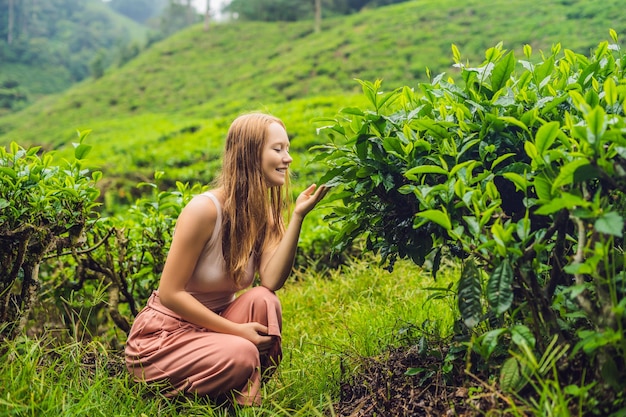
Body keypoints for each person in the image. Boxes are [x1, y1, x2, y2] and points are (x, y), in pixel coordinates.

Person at [124, 112, 329, 406]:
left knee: (264, 300)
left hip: (213, 329)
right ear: (250, 154)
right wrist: (236, 332)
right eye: (278, 149)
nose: (288, 159)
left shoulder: (264, 217)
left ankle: (232, 399)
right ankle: (233, 399)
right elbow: (170, 293)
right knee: (242, 351)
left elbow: (272, 280)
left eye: (288, 149)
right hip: (164, 338)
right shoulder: (204, 211)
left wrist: (297, 217)